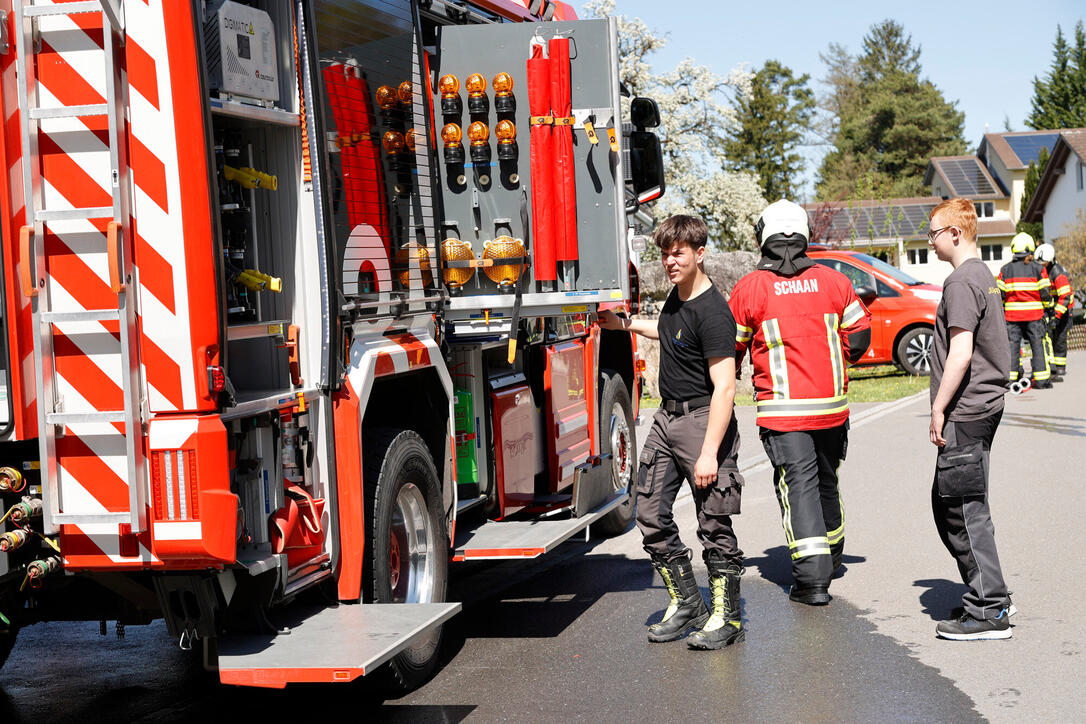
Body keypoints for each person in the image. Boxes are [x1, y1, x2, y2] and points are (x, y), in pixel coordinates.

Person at [598, 214, 745, 650]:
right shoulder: (677, 301)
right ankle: (688, 604)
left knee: (713, 523)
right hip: (666, 420)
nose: (669, 260)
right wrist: (622, 324)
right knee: (649, 514)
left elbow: (726, 388)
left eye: (678, 252)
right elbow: (668, 333)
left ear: (700, 254)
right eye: (664, 253)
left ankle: (727, 618)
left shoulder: (715, 313)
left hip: (703, 421)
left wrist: (709, 454)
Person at [728, 200, 871, 606]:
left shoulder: (750, 287)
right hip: (832, 406)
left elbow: (729, 349)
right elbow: (859, 333)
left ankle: (812, 582)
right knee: (827, 480)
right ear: (805, 234)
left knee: (799, 487)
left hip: (783, 412)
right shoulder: (834, 281)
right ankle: (833, 554)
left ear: (764, 237)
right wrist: (834, 364)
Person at [926, 198, 1014, 640]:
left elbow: (960, 353)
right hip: (986, 405)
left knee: (961, 509)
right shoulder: (984, 275)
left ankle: (989, 610)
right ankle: (991, 590)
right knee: (953, 502)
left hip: (966, 410)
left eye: (934, 233)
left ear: (955, 234)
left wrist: (939, 408)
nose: (931, 241)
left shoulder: (961, 282)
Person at [997, 232, 1052, 389]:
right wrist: (1049, 309)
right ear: (1030, 249)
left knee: (1012, 348)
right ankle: (1041, 380)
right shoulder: (1038, 269)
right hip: (1035, 317)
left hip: (1012, 317)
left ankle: (1011, 380)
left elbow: (1000, 295)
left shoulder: (1005, 270)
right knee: (1037, 346)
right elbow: (1045, 294)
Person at [1034, 242, 1074, 380]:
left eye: (1043, 263)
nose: (1040, 265)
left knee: (1061, 338)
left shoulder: (1058, 273)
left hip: (1064, 310)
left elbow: (1066, 297)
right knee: (1049, 338)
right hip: (1052, 309)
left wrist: (1056, 316)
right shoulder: (1044, 270)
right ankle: (1052, 368)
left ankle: (1060, 368)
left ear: (1050, 261)